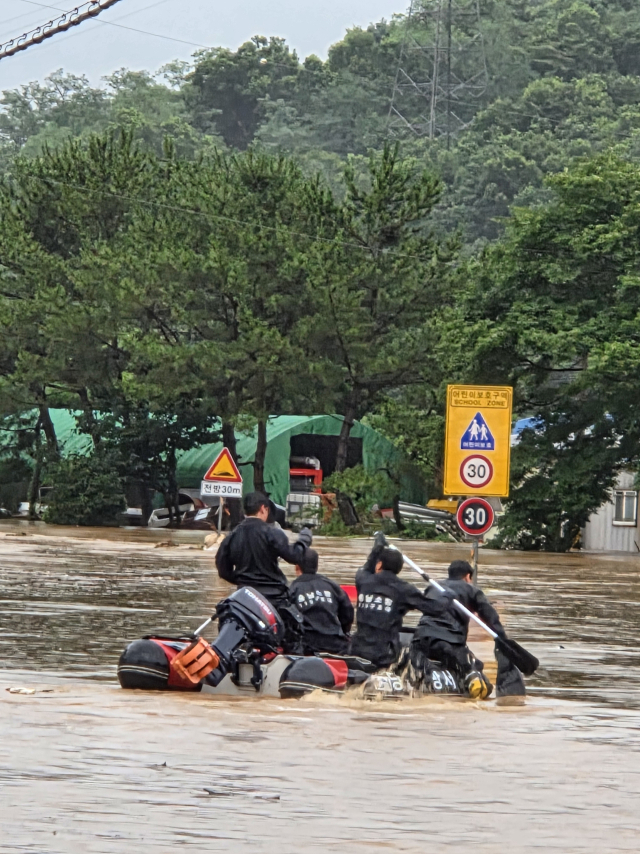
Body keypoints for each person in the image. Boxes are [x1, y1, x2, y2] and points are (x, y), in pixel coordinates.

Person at [349, 545, 449, 670]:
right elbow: (436, 608)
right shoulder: (404, 589)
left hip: (357, 650)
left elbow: (364, 569)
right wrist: (447, 596)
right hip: (385, 655)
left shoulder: (363, 580)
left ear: (379, 565)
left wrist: (375, 551)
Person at [215, 491, 312, 615]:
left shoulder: (232, 536)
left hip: (244, 597)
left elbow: (223, 569)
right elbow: (294, 556)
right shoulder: (272, 533)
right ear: (263, 509)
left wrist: (242, 580)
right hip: (274, 598)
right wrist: (304, 540)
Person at [410, 559, 504, 682]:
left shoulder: (433, 588)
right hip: (449, 644)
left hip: (419, 640)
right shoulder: (472, 591)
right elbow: (491, 618)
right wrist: (503, 639)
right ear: (468, 577)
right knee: (477, 671)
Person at [289, 548, 354, 655]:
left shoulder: (292, 589)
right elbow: (348, 613)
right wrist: (344, 631)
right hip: (335, 644)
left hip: (307, 645)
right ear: (317, 565)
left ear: (297, 567)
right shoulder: (333, 586)